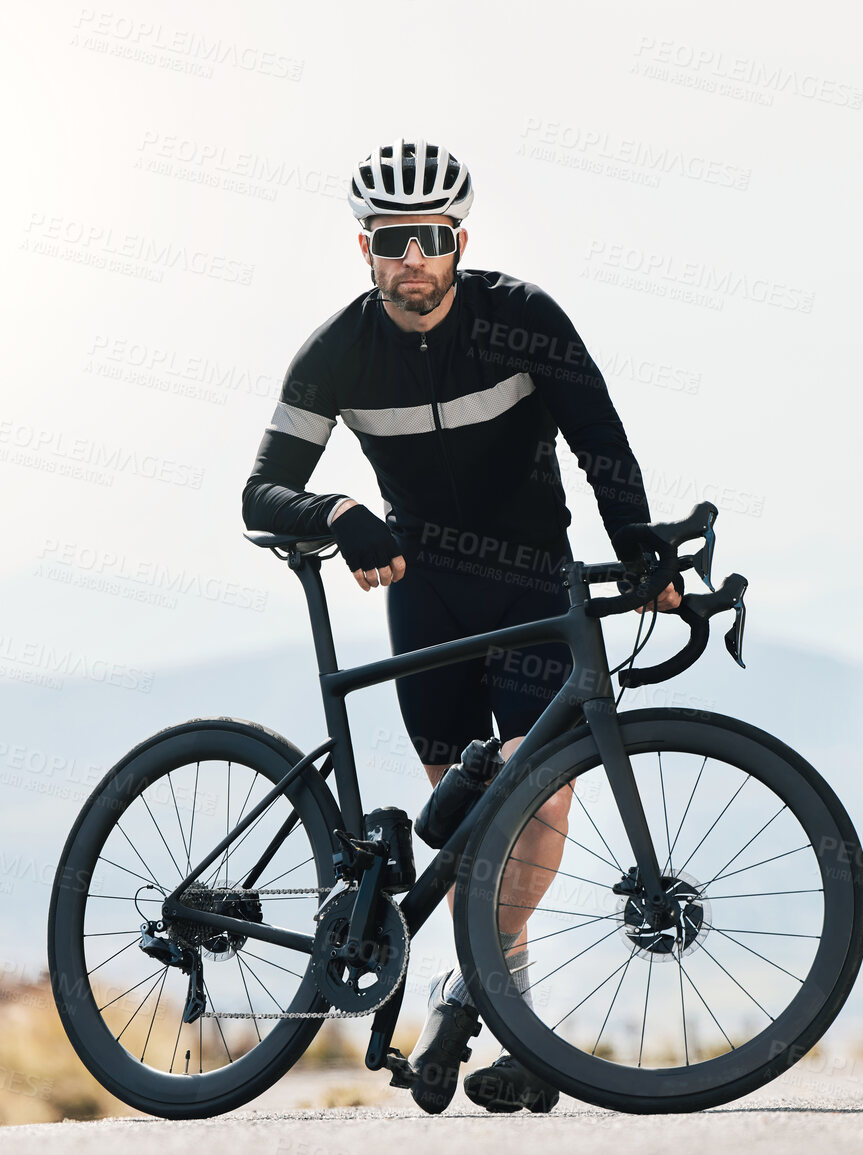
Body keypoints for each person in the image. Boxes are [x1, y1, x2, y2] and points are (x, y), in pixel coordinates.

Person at [241, 138, 676, 1114]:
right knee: (478, 830)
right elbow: (262, 492)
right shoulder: (341, 350)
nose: (413, 261)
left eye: (430, 239)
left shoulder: (520, 319)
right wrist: (339, 516)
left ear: (459, 239)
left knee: (539, 801)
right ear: (366, 246)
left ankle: (475, 995)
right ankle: (493, 998)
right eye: (393, 242)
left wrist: (643, 550)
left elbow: (602, 442)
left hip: (531, 592)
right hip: (426, 604)